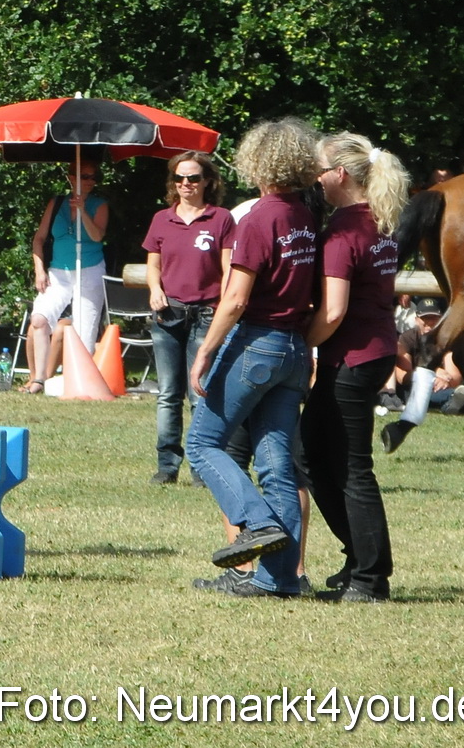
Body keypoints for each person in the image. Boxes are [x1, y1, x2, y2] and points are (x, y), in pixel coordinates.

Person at [186, 118, 319, 598]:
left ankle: (256, 521)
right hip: (292, 349)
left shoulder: (259, 217)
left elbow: (237, 297)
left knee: (201, 444)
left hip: (256, 343)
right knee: (276, 464)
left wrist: (205, 350)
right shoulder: (304, 216)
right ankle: (280, 580)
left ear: (257, 160)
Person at [302, 131, 410, 603]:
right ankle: (361, 559)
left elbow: (332, 311)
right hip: (373, 350)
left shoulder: (344, 231)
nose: (316, 180)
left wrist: (299, 345)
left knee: (351, 468)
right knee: (309, 454)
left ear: (339, 175)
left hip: (351, 357)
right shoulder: (378, 221)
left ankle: (370, 578)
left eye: (320, 172)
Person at [142, 152, 235, 485]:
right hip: (168, 313)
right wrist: (155, 289)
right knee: (168, 393)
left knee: (200, 393)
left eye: (193, 178)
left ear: (207, 181)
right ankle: (167, 465)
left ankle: (202, 466)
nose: (186, 184)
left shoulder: (221, 219)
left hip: (206, 314)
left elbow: (228, 269)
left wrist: (226, 305)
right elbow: (153, 264)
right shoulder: (161, 219)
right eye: (180, 178)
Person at [25, 159, 108, 393]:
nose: (90, 182)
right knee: (39, 319)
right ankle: (39, 379)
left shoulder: (99, 205)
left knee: (84, 333)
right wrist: (39, 269)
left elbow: (97, 236)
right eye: (85, 176)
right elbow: (39, 239)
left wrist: (82, 210)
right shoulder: (57, 202)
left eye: (93, 177)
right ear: (72, 178)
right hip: (58, 271)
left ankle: (78, 382)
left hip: (89, 269)